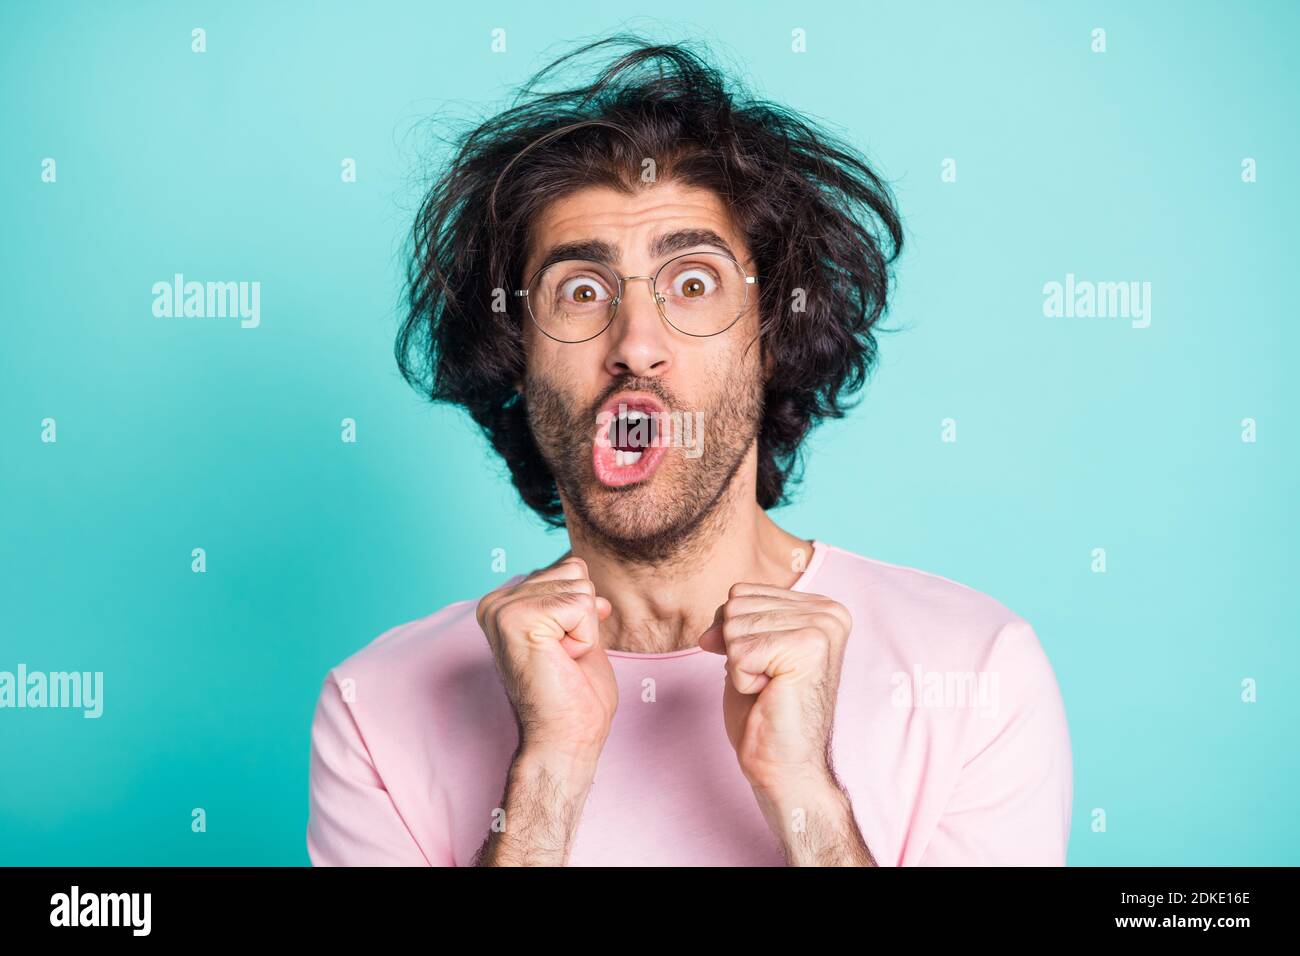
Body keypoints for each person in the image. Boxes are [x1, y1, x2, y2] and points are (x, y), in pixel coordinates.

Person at [307, 36, 1072, 866]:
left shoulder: (972, 672)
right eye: (581, 291)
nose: (637, 342)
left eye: (695, 285)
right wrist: (547, 779)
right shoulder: (379, 706)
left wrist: (806, 796)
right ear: (518, 358)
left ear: (772, 338)